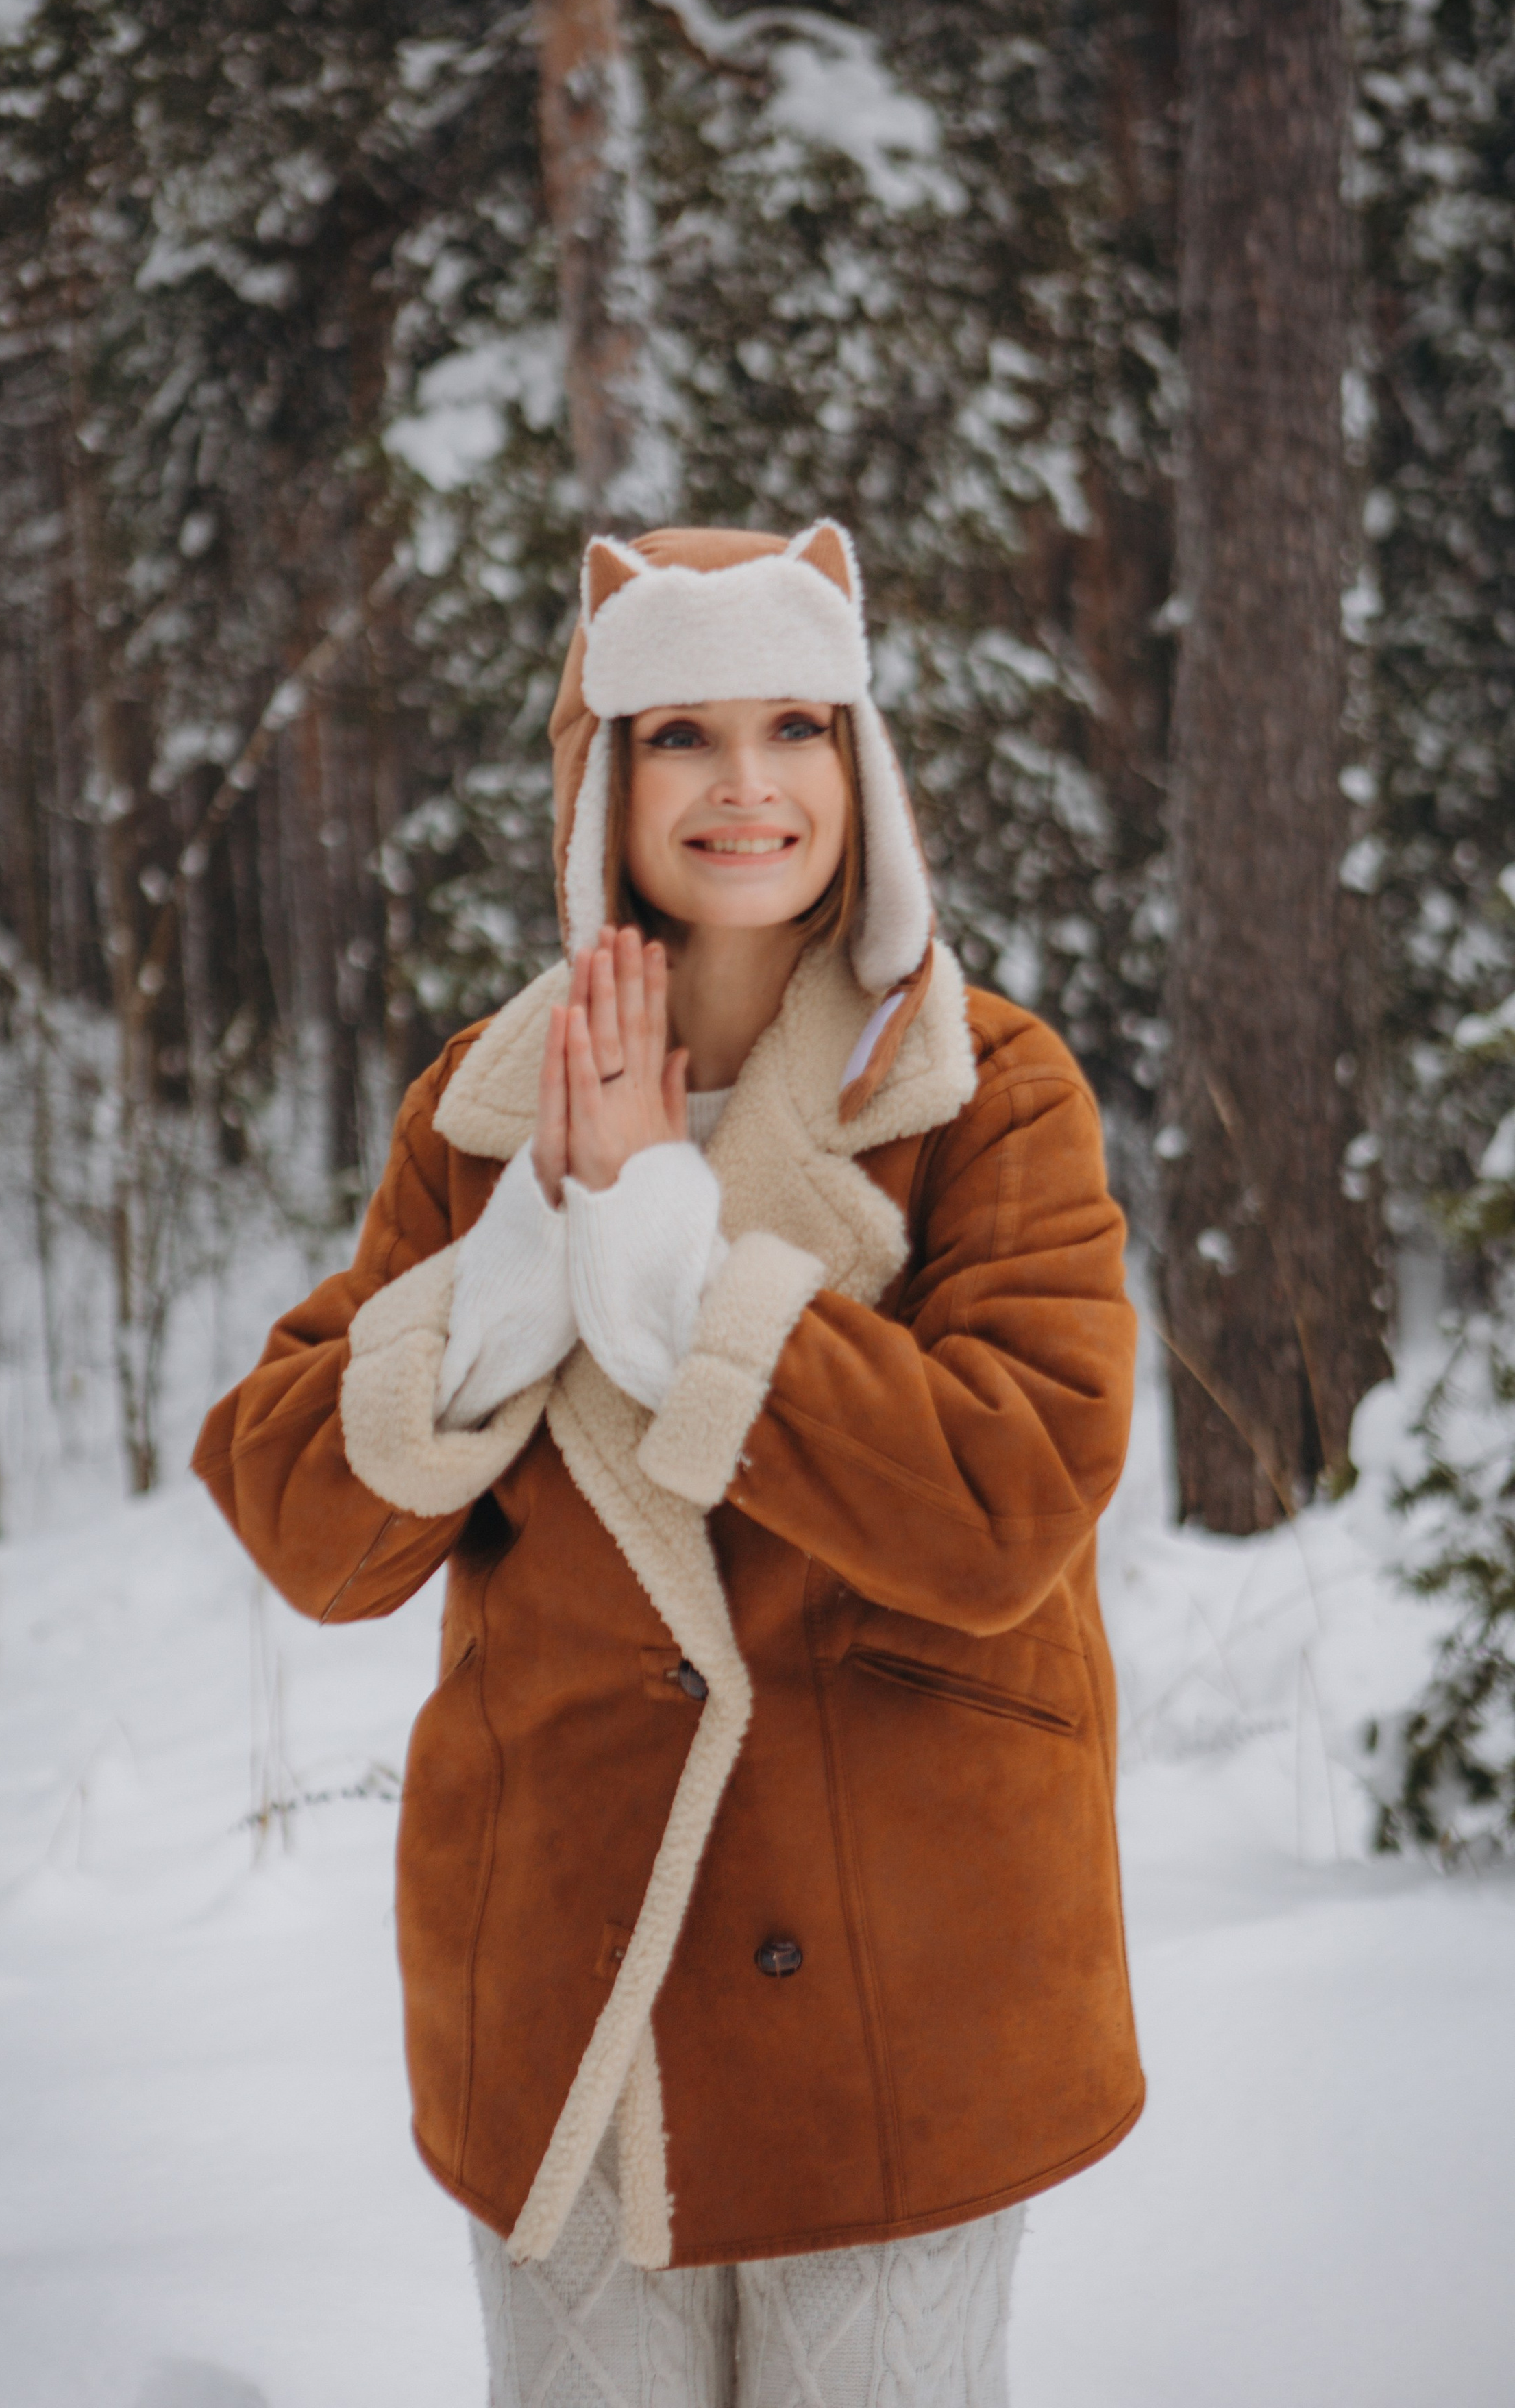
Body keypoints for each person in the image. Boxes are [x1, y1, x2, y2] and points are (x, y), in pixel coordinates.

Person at [193, 520, 1143, 2408]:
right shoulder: (486, 1108)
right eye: (680, 735)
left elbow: (1002, 1501)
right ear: (598, 784)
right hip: (567, 1972)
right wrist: (536, 1244)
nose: (745, 786)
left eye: (795, 725)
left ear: (856, 764)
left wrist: (667, 1246)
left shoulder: (983, 1088)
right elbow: (309, 1520)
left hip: (901, 1967)